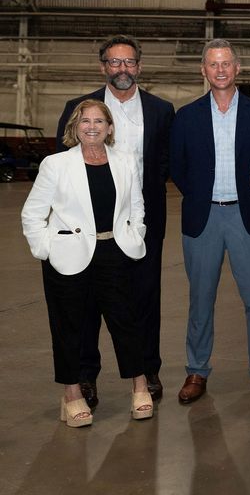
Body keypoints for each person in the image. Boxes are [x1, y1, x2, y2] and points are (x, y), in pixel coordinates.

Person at [56, 35, 175, 406]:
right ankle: (86, 376)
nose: (121, 69)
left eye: (128, 62)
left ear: (138, 66)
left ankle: (147, 369)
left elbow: (164, 163)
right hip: (88, 223)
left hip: (142, 219)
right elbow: (60, 164)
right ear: (103, 66)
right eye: (114, 62)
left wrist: (141, 220)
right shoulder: (80, 107)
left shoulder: (161, 110)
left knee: (143, 297)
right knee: (87, 302)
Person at [23, 100, 155, 425]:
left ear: (110, 127)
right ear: (75, 127)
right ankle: (71, 395)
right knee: (70, 328)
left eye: (99, 121)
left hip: (115, 252)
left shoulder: (124, 162)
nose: (92, 126)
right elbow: (32, 214)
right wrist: (47, 249)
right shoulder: (55, 165)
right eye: (85, 121)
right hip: (68, 258)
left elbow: (137, 205)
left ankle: (140, 386)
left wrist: (135, 233)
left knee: (126, 322)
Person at [170, 40, 250, 405]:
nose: (220, 70)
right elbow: (178, 167)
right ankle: (197, 370)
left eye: (226, 64)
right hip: (202, 218)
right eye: (213, 65)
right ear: (203, 71)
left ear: (237, 69)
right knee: (200, 299)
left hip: (245, 216)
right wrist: (202, 194)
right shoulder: (186, 116)